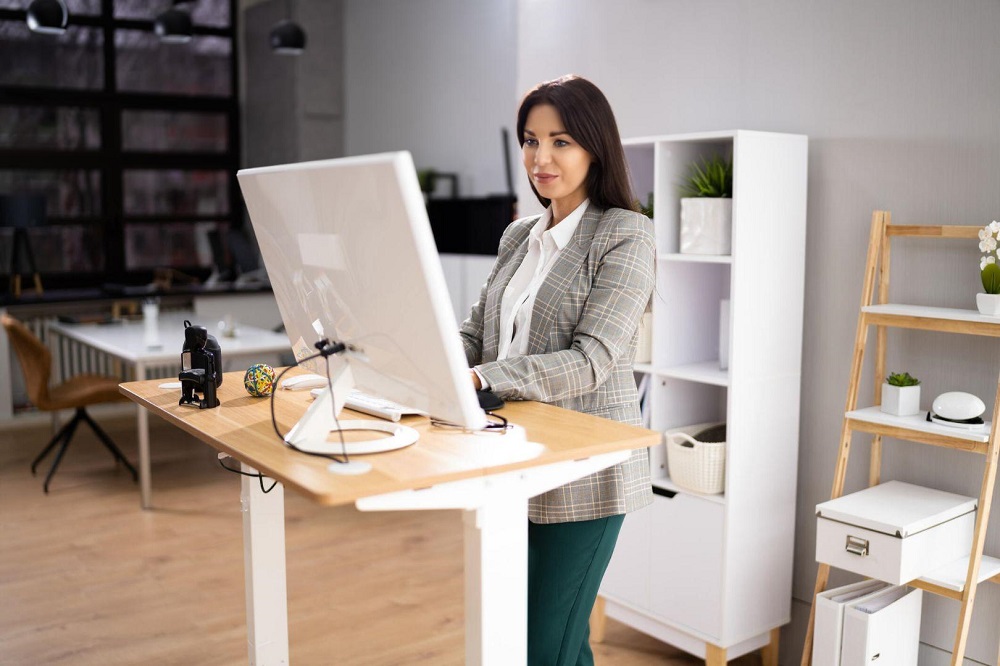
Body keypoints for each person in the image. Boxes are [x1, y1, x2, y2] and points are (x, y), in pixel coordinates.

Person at [458, 74, 655, 666]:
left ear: (595, 148)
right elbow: (480, 331)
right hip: (513, 460)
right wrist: (427, 356)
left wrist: (484, 378)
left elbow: (591, 361)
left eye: (561, 142)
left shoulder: (625, 233)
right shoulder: (519, 234)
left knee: (545, 646)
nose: (540, 158)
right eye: (530, 140)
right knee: (534, 637)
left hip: (585, 470)